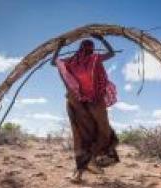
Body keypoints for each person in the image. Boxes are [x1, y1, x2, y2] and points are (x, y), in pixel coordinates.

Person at [52, 34, 120, 183]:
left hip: (82, 104)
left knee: (86, 135)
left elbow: (53, 62)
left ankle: (81, 171)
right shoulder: (90, 59)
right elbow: (112, 53)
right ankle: (83, 168)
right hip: (87, 103)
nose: (90, 50)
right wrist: (102, 40)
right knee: (96, 132)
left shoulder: (74, 61)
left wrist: (59, 47)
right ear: (89, 48)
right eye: (90, 47)